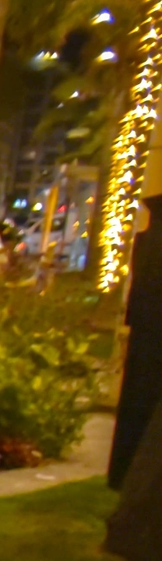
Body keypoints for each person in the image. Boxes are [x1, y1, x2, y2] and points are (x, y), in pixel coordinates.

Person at [111, 195, 162, 490]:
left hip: (146, 337)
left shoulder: (147, 244)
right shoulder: (148, 245)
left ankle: (124, 470)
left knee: (138, 401)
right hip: (150, 339)